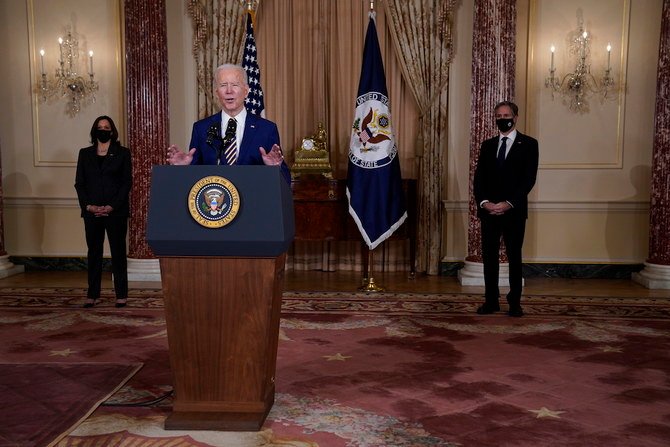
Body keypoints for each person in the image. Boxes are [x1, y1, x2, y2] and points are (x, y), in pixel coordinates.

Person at [166, 63, 290, 183]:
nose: (229, 91)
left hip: (253, 201)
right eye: (223, 85)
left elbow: (285, 180)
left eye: (235, 85)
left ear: (246, 91)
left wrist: (275, 168)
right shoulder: (201, 129)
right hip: (215, 201)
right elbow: (194, 178)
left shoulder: (266, 129)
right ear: (216, 93)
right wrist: (181, 169)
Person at [473, 101, 539, 317]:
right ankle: (491, 300)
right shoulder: (487, 145)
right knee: (489, 258)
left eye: (506, 115)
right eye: (499, 115)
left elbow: (528, 180)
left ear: (516, 117)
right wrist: (485, 203)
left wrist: (508, 203)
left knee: (514, 257)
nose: (502, 119)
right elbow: (479, 179)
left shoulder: (529, 144)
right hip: (489, 211)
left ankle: (514, 302)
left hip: (514, 212)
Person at [75, 116, 132, 308]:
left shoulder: (123, 153)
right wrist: (89, 206)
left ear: (112, 131)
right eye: (100, 127)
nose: (103, 130)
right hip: (91, 212)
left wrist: (111, 206)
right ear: (94, 131)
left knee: (118, 253)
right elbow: (80, 184)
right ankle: (93, 294)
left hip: (115, 212)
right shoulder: (84, 154)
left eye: (106, 127)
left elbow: (126, 183)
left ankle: (121, 295)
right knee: (94, 253)